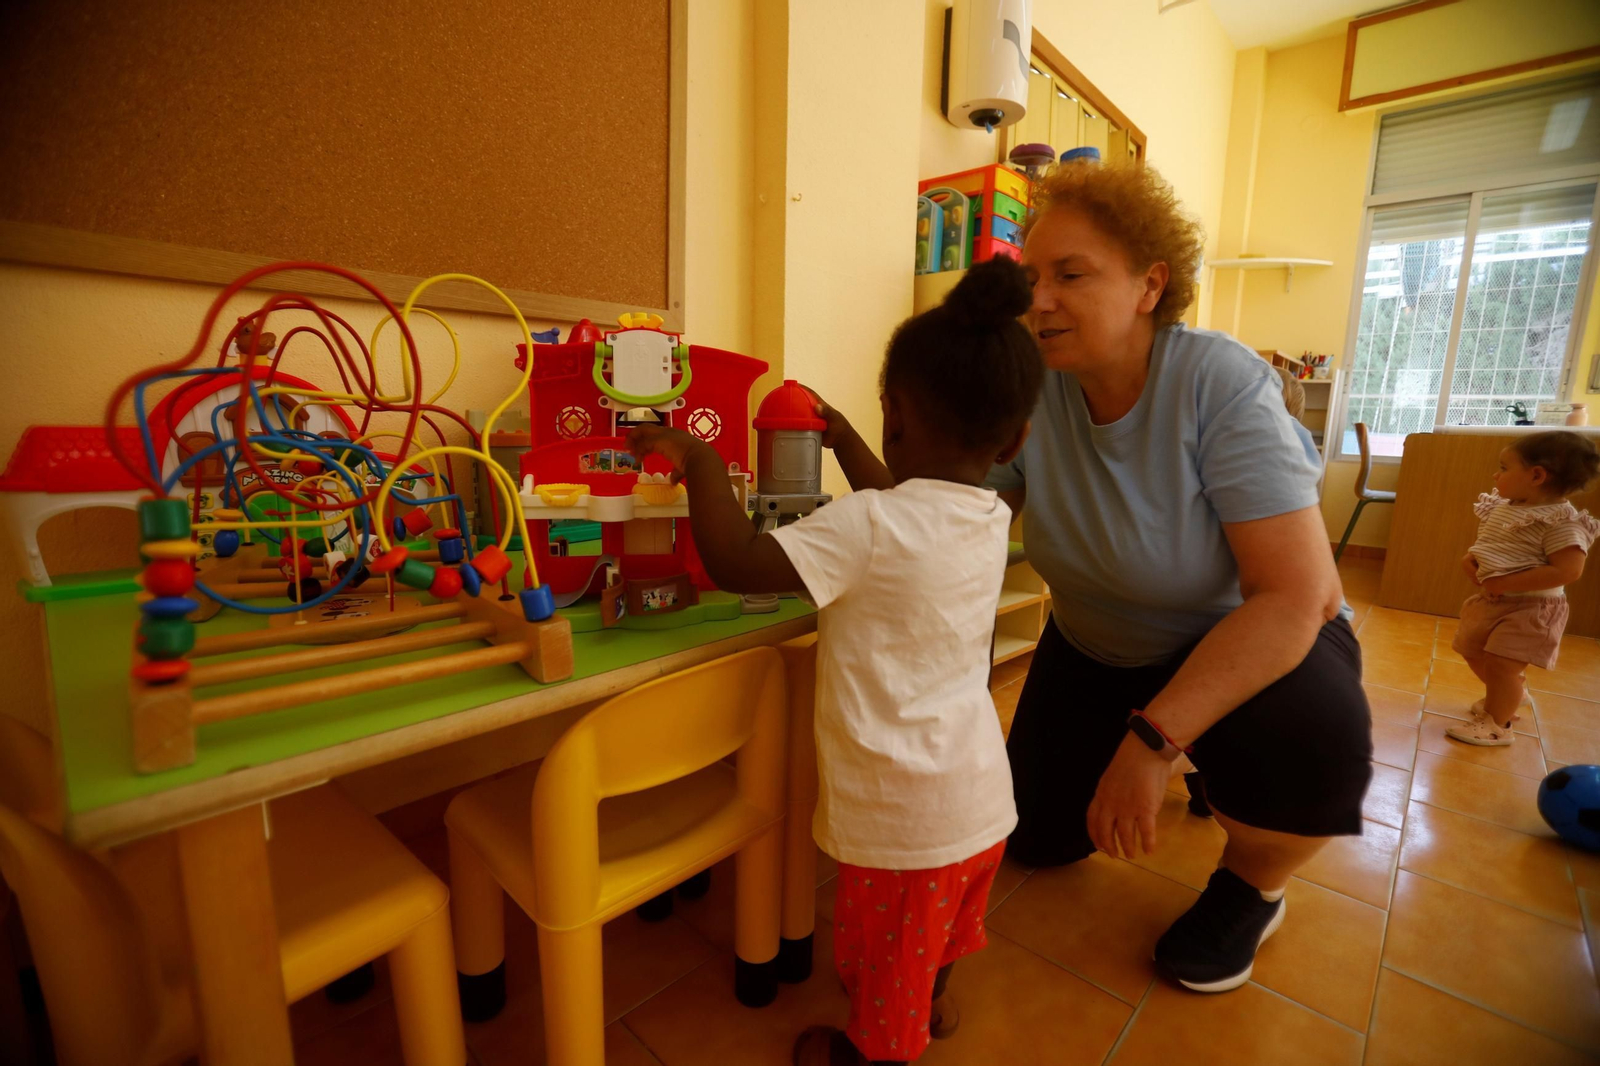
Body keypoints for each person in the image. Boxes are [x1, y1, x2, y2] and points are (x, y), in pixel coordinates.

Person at [627, 258, 1043, 1066]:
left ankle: (880, 1047)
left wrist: (701, 462)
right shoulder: (988, 515)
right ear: (1016, 436)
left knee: (887, 956)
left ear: (896, 411)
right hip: (981, 801)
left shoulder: (866, 528)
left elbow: (742, 563)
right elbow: (907, 500)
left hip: (904, 820)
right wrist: (847, 436)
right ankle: (935, 1001)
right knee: (937, 936)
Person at [987, 160, 1373, 994]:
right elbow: (959, 507)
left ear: (1149, 285)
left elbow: (1297, 596)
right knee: (1039, 841)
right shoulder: (1034, 388)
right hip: (1096, 642)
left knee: (1313, 736)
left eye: (1070, 275)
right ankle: (1181, 748)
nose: (1039, 299)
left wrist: (1153, 742)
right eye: (1030, 278)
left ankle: (1254, 885)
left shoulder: (1217, 381)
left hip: (1240, 638)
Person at [1449, 431, 1599, 745]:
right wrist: (1470, 559)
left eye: (1504, 467)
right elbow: (1493, 545)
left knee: (1503, 664)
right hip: (1491, 600)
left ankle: (1497, 724)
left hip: (1533, 608)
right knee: (1471, 650)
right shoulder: (1505, 506)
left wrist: (1506, 582)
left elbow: (1568, 570)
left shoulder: (1561, 521)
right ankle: (1510, 693)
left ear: (1536, 475)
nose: (1496, 474)